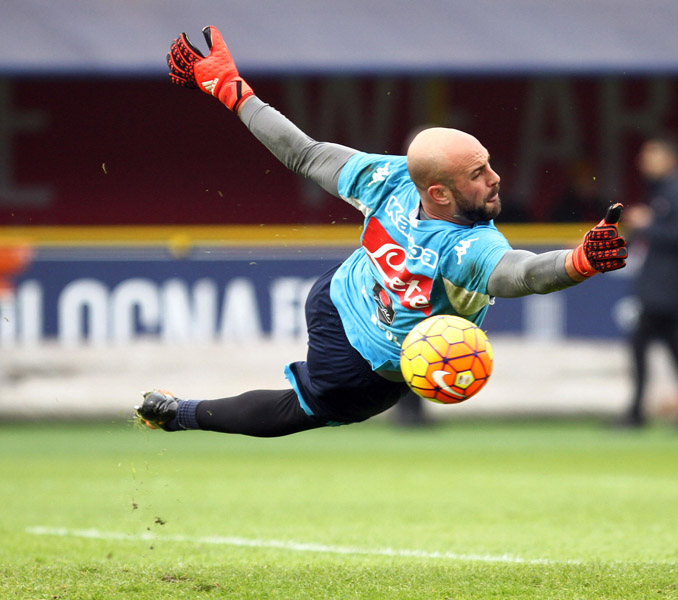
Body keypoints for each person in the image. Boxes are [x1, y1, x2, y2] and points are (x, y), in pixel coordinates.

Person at [136, 26, 627, 436]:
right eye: (477, 174)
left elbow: (522, 271)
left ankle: (180, 413)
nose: (495, 178)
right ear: (437, 192)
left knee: (312, 402)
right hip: (365, 363)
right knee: (304, 409)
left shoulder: (391, 180)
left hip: (333, 295)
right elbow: (522, 276)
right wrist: (578, 262)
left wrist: (230, 88)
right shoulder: (466, 245)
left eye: (489, 165)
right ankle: (180, 415)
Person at [618, 135, 678, 429]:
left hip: (670, 285)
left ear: (670, 158)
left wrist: (648, 224)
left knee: (642, 342)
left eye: (650, 155)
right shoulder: (666, 189)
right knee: (673, 346)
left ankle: (636, 414)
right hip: (662, 285)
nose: (643, 162)